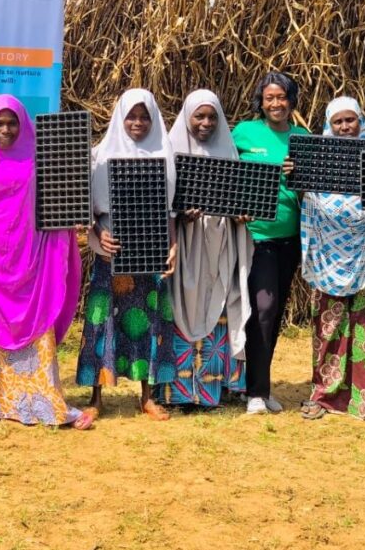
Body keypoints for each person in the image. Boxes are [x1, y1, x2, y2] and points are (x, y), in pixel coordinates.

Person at [0, 95, 93, 430]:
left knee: (37, 322)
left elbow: (57, 203)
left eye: (12, 122)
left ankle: (45, 403)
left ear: (23, 124)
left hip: (32, 259)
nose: (5, 129)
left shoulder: (39, 160)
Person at [76, 88, 177, 421]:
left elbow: (169, 213)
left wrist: (173, 245)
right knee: (102, 321)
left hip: (148, 254)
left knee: (148, 322)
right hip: (111, 255)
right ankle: (96, 396)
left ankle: (147, 396)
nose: (137, 122)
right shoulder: (98, 158)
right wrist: (98, 235)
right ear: (120, 117)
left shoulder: (165, 156)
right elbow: (86, 211)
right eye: (131, 116)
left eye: (144, 116)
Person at [299, 96, 365, 421]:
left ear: (361, 121)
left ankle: (363, 399)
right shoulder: (317, 162)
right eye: (338, 122)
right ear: (329, 126)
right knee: (328, 328)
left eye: (350, 120)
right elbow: (310, 201)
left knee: (364, 328)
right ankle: (324, 394)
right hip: (328, 257)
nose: (345, 127)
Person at [156, 89, 252, 408]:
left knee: (218, 306)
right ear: (187, 117)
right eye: (199, 116)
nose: (206, 123)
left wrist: (239, 213)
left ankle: (212, 392)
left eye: (212, 117)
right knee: (180, 305)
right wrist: (180, 216)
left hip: (218, 246)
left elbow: (240, 200)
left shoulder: (229, 154)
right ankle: (178, 393)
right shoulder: (169, 152)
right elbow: (161, 204)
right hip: (183, 248)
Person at [231, 72, 309, 414]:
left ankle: (262, 386)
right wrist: (235, 212)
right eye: (269, 98)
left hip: (289, 240)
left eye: (282, 97)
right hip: (255, 239)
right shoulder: (244, 133)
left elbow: (312, 191)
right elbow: (225, 176)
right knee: (262, 309)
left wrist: (300, 176)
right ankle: (255, 392)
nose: (276, 103)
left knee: (273, 313)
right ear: (260, 103)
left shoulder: (303, 137)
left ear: (291, 100)